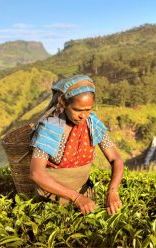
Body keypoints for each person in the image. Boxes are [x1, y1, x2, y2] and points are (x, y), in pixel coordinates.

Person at [30, 75, 124, 215]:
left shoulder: (92, 124)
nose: (83, 115)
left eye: (88, 110)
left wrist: (112, 191)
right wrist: (76, 197)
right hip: (51, 201)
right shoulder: (50, 128)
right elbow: (36, 174)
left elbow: (116, 159)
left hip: (85, 197)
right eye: (78, 110)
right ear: (63, 104)